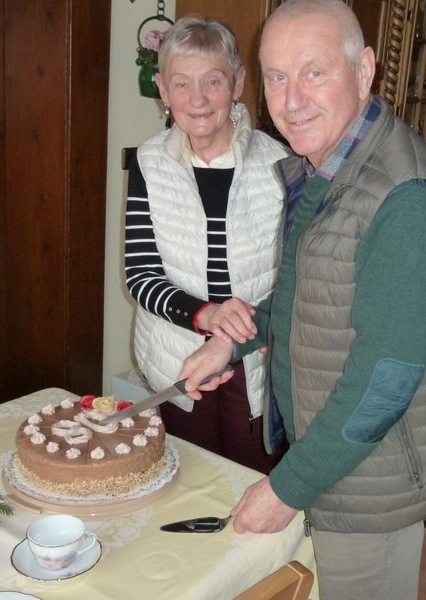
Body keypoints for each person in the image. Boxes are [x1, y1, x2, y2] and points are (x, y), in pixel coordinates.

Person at [179, 1, 426, 597]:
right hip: (335, 457)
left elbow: (383, 385)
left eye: (314, 72)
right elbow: (308, 301)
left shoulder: (406, 199)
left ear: (364, 71)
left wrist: (285, 489)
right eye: (277, 77)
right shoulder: (329, 167)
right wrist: (231, 345)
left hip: (374, 482)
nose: (291, 100)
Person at [125, 14, 289, 474]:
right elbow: (139, 275)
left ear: (238, 82)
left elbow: (297, 275)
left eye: (212, 81)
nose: (197, 99)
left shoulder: (282, 164)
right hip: (179, 355)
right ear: (163, 89)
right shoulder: (149, 162)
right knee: (188, 479)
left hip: (255, 361)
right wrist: (206, 315)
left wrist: (252, 327)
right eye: (181, 83)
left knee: (250, 480)